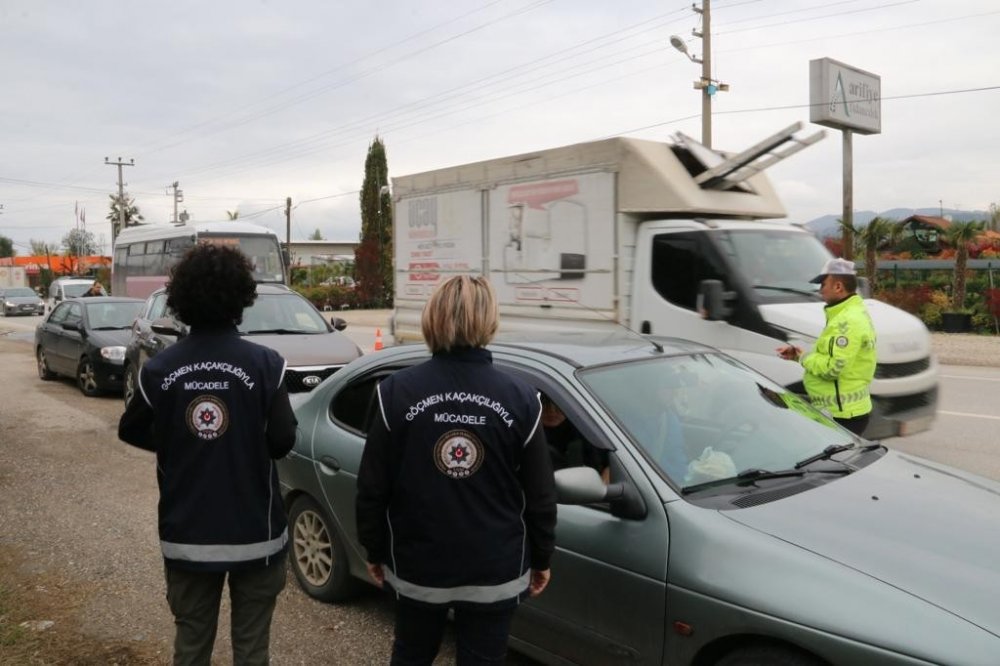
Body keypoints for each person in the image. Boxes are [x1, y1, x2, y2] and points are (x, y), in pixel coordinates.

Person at [355, 274, 557, 665]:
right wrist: (543, 557)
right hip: (494, 570)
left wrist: (375, 550)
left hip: (418, 567)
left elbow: (372, 487)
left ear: (433, 318)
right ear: (489, 321)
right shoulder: (521, 398)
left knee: (412, 654)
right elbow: (540, 494)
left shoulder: (395, 392)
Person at [118, 244, 297, 666]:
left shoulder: (161, 369)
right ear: (242, 298)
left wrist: (183, 444)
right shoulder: (267, 364)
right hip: (257, 535)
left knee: (192, 644)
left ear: (182, 300)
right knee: (252, 648)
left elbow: (131, 428)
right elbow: (283, 440)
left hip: (187, 536)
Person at [777, 257, 877, 435]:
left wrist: (804, 358)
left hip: (842, 416)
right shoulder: (847, 315)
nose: (820, 290)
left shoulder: (846, 322)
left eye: (823, 284)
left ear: (838, 287)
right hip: (843, 411)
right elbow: (830, 355)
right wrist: (798, 355)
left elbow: (832, 369)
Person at [541, 395, 609, 482]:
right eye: (543, 402)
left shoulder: (586, 432)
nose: (551, 410)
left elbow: (611, 464)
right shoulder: (526, 433)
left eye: (557, 403)